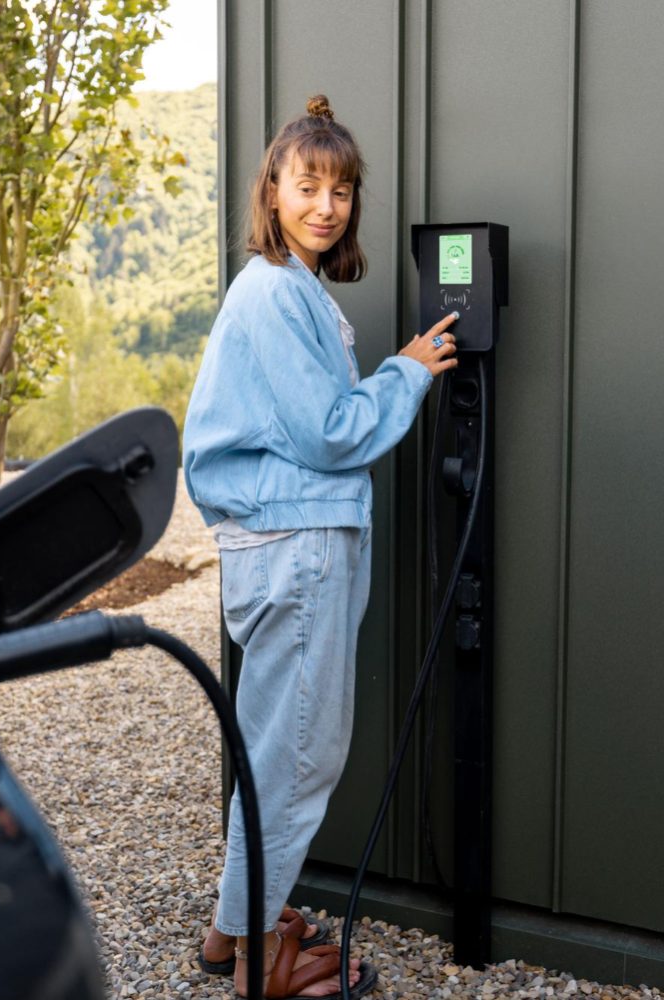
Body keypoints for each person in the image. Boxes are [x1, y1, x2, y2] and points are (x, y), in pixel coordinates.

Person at [183, 94, 458, 1000]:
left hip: (286, 540)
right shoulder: (271, 289)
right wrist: (407, 372)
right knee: (298, 755)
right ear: (274, 189)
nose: (326, 206)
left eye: (341, 190)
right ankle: (262, 963)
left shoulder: (291, 287)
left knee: (273, 747)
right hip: (296, 544)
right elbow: (332, 433)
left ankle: (234, 932)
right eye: (308, 185)